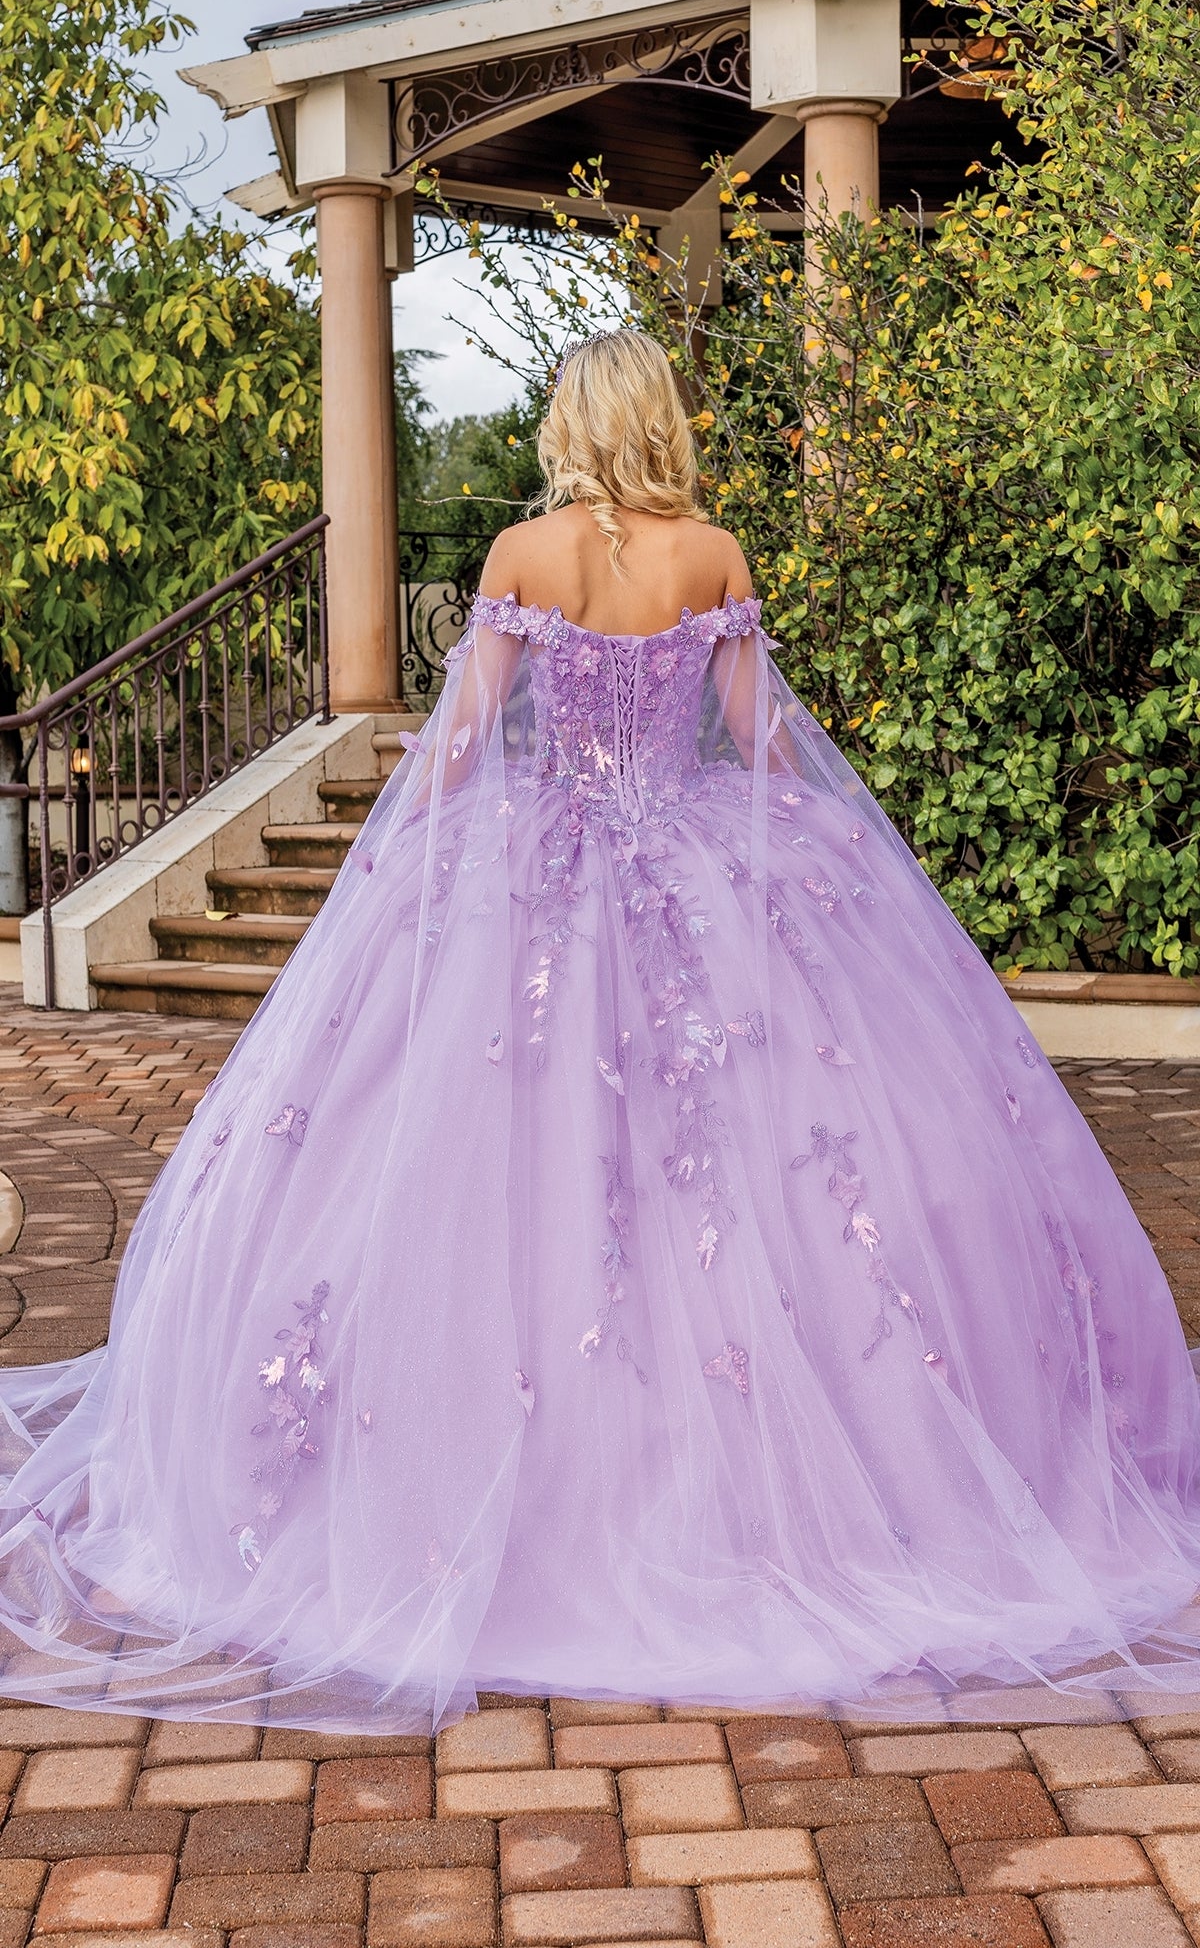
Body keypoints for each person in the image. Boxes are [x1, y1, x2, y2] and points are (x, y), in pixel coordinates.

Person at [0, 326, 1198, 1735]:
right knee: (754, 1166)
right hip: (698, 864)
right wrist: (813, 839)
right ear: (664, 424)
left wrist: (410, 855)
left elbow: (462, 741)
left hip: (541, 872)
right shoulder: (717, 556)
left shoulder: (518, 553)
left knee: (514, 1154)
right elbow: (756, 740)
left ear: (574, 423)